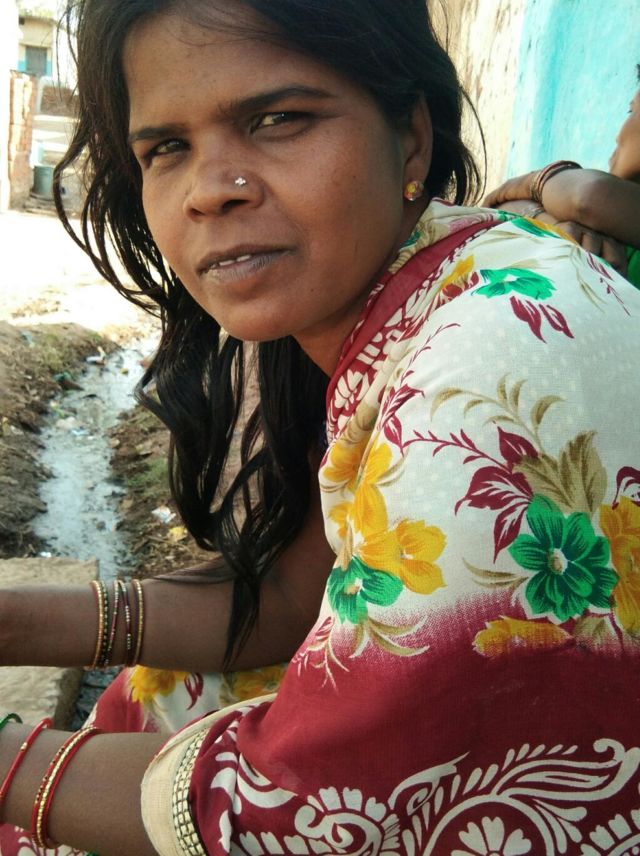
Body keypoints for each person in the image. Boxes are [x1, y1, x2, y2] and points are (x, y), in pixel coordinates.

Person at [0, 1, 639, 853]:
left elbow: (317, 811)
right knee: (167, 688)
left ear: (411, 140)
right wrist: (12, 621)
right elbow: (292, 600)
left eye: (278, 120)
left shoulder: (489, 360)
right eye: (167, 149)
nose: (210, 190)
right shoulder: (410, 289)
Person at [484, 66, 640, 286]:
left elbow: (590, 195)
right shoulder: (611, 231)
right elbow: (505, 209)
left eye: (631, 111)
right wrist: (555, 225)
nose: (618, 136)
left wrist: (532, 184)